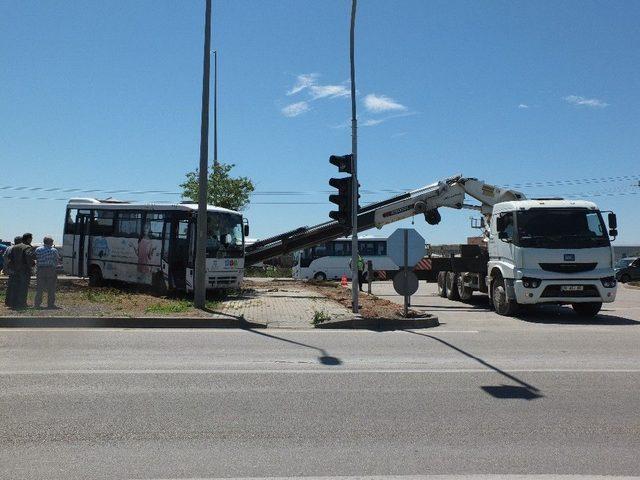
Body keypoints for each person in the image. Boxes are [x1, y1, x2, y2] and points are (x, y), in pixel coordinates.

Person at [7, 233, 34, 309]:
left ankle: (14, 303)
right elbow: (29, 259)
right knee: (24, 287)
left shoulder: (15, 247)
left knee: (15, 287)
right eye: (31, 238)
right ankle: (22, 303)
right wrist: (32, 265)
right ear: (28, 239)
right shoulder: (27, 247)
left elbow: (10, 257)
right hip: (24, 271)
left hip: (15, 270)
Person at [33, 236, 60, 309]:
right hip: (50, 269)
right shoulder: (54, 250)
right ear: (50, 242)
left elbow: (35, 258)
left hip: (40, 269)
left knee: (39, 287)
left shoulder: (38, 249)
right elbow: (57, 260)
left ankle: (37, 304)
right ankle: (50, 304)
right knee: (51, 288)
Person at [3, 236, 22, 307]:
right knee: (18, 286)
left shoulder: (8, 248)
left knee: (10, 286)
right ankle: (16, 302)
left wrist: (5, 269)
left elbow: (5, 258)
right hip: (18, 270)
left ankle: (8, 302)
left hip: (11, 269)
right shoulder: (20, 248)